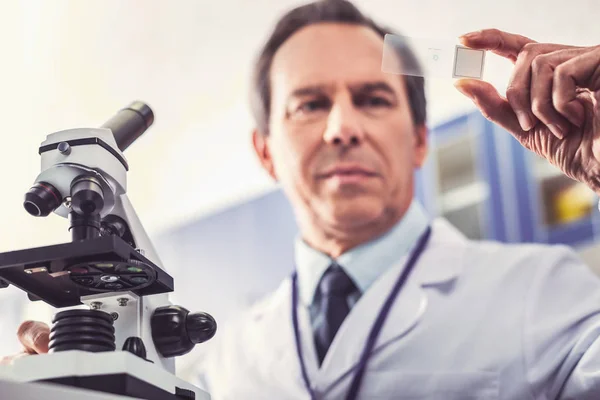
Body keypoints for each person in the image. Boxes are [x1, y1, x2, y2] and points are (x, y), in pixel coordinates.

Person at [3, 0, 600, 399]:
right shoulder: (229, 359)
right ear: (266, 152)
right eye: (310, 104)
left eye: (373, 98)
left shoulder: (549, 296)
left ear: (419, 140)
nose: (343, 127)